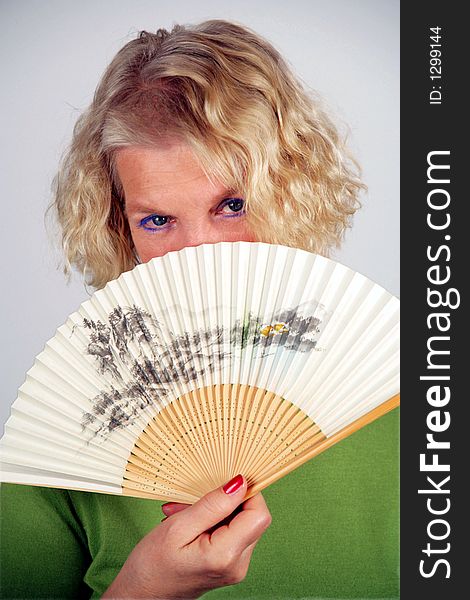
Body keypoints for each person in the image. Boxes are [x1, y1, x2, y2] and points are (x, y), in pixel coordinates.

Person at [0, 19, 399, 599]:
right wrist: (142, 589)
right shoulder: (61, 430)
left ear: (294, 191)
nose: (199, 254)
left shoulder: (411, 390)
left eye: (232, 205)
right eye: (157, 220)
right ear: (119, 227)